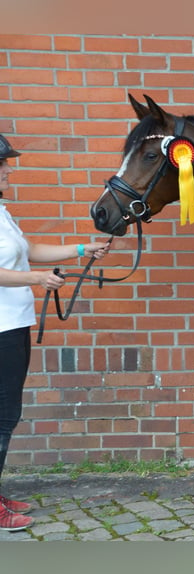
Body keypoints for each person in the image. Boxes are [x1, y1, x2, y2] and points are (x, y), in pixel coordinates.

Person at [0, 133, 110, 532]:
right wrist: (36, 279)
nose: (8, 169)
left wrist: (82, 249)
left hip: (12, 326)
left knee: (5, 415)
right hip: (0, 330)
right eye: (2, 164)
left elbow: (27, 250)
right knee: (2, 416)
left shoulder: (1, 211)